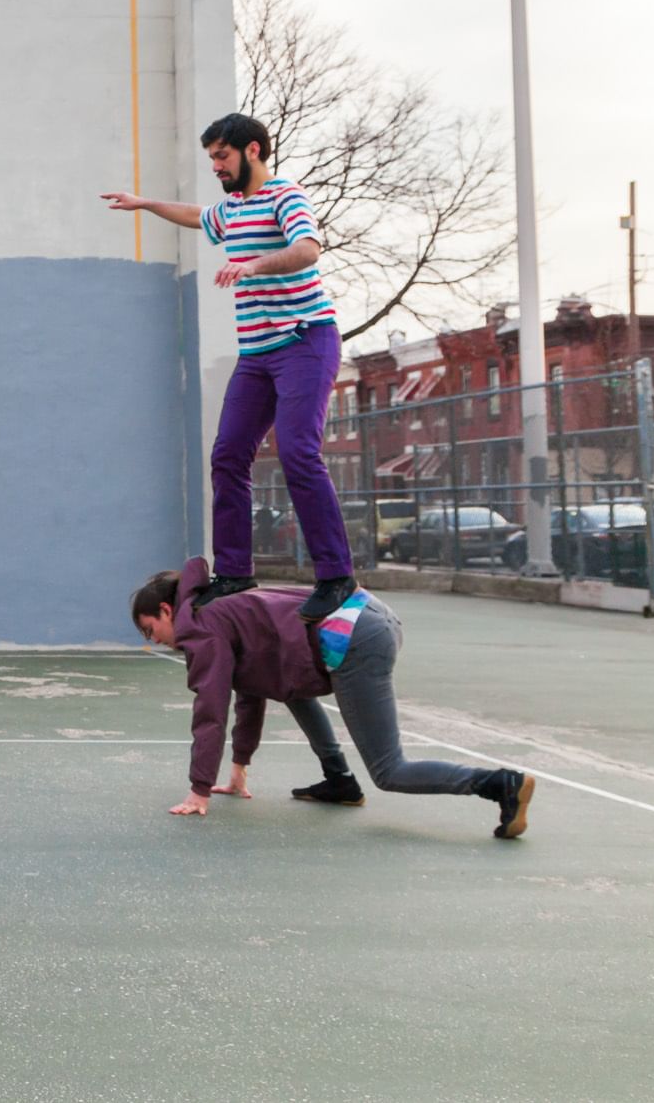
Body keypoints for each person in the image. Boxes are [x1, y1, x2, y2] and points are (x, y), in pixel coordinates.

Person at [103, 113, 356, 622]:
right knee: (228, 455)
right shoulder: (233, 208)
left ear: (252, 150)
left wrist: (253, 264)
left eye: (222, 156)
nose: (216, 166)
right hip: (257, 353)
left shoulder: (286, 196)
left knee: (298, 452)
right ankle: (235, 572)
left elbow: (307, 249)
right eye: (212, 158)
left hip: (305, 339)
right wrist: (144, 203)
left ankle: (336, 576)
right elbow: (198, 215)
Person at [130, 559, 535, 840]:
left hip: (353, 635)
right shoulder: (216, 606)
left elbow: (211, 710)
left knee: (389, 770)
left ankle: (499, 784)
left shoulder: (200, 626)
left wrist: (199, 789)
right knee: (290, 689)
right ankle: (339, 780)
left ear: (166, 610)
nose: (156, 641)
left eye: (150, 631)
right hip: (366, 613)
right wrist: (239, 768)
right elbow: (252, 691)